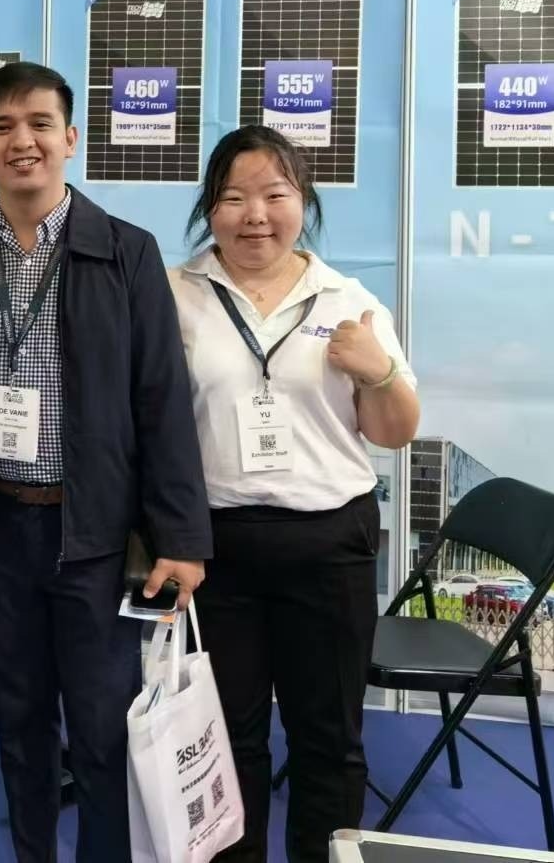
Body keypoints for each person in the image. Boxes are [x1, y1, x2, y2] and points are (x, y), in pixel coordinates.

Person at [0, 61, 212, 863]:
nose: (23, 141)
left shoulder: (126, 253)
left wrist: (182, 537)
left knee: (104, 732)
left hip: (96, 539)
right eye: (1, 126)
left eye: (40, 123)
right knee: (19, 725)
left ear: (70, 137)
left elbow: (162, 398)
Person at [171, 125, 420, 863]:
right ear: (209, 209)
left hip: (328, 544)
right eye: (233, 198)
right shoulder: (174, 295)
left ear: (303, 202)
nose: (255, 215)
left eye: (275, 195)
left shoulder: (348, 300)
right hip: (217, 549)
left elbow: (395, 431)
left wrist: (377, 371)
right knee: (229, 740)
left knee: (330, 742)